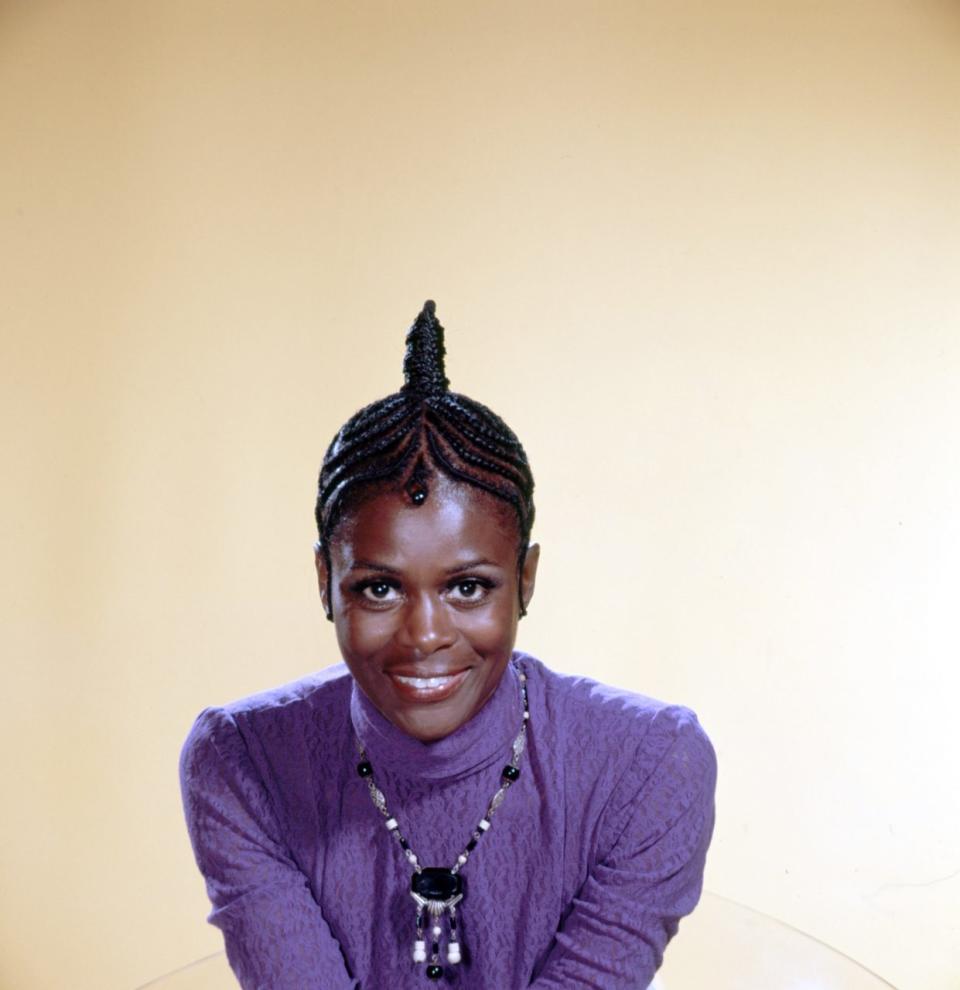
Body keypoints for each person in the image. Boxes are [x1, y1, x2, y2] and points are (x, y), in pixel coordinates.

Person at [180, 301, 717, 989]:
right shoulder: (241, 765)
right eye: (379, 589)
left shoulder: (647, 770)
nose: (425, 635)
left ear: (525, 580)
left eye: (467, 588)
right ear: (326, 582)